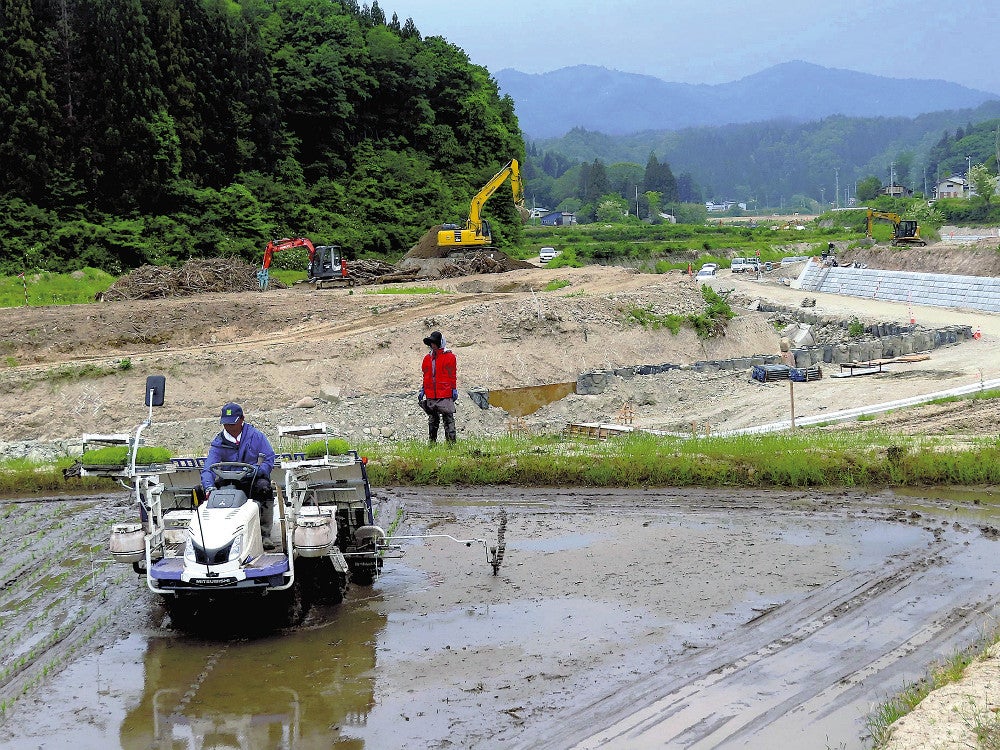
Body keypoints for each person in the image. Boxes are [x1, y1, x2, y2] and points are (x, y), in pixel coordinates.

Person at [200, 402, 278, 549]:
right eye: (226, 424)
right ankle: (216, 536)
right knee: (205, 492)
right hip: (228, 480)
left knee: (264, 488)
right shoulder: (218, 442)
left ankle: (264, 535)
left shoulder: (256, 436)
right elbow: (208, 467)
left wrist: (259, 470)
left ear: (242, 420)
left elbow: (269, 458)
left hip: (252, 479)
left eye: (232, 424)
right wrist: (209, 487)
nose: (229, 427)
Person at [419, 330, 458, 443]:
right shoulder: (427, 358)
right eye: (432, 343)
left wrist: (453, 389)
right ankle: (432, 443)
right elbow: (426, 375)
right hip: (431, 393)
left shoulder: (450, 357)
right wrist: (423, 389)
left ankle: (451, 445)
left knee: (448, 419)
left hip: (445, 393)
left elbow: (452, 375)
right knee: (433, 419)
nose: (433, 345)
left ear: (440, 343)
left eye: (435, 343)